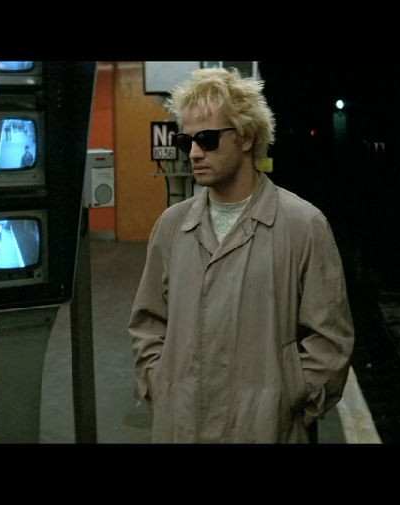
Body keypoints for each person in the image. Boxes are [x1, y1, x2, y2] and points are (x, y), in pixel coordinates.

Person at [128, 67, 354, 443]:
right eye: (186, 141)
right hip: (182, 427)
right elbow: (148, 322)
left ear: (246, 137)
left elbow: (330, 341)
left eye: (208, 139)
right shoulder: (172, 227)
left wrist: (288, 402)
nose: (195, 153)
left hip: (265, 430)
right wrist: (160, 383)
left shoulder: (302, 226)